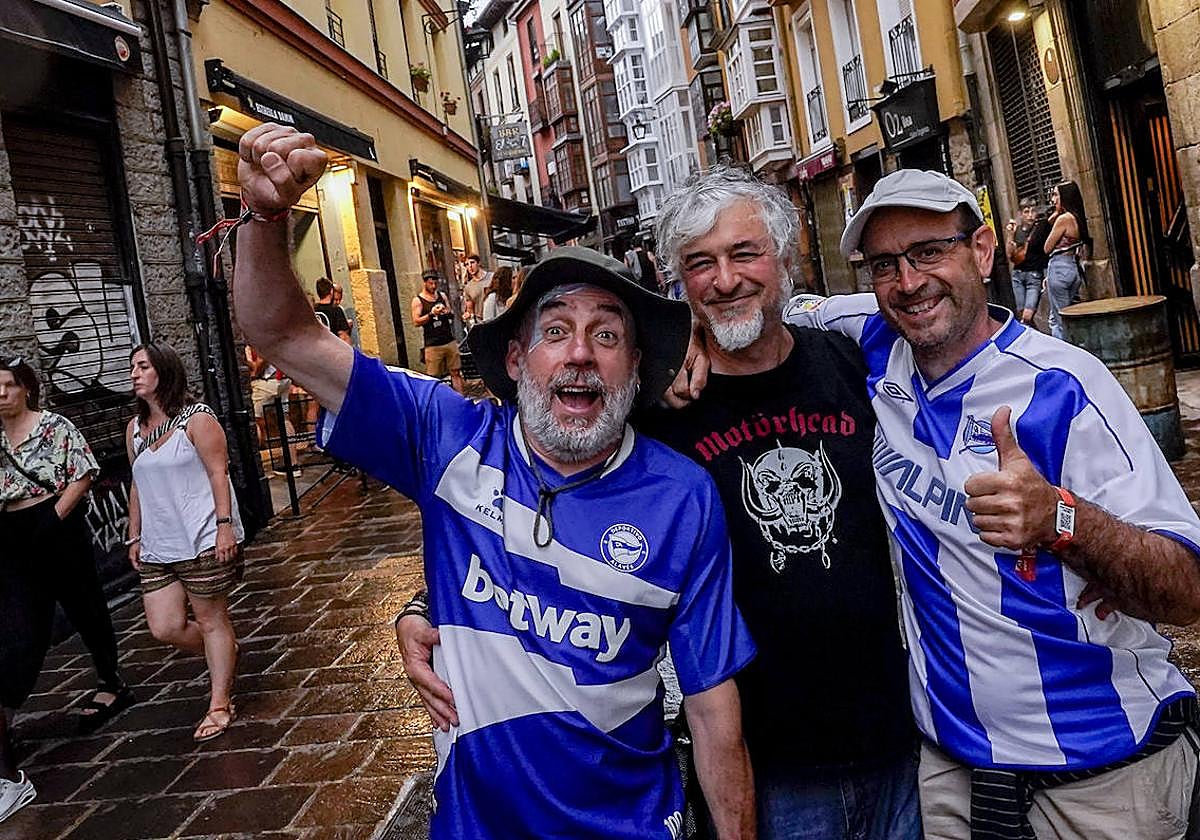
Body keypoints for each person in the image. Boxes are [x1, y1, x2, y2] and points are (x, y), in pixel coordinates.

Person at [230, 122, 758, 840]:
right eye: (555, 330)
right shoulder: (446, 437)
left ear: (634, 368)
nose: (579, 354)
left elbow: (710, 702)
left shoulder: (684, 496)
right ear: (514, 360)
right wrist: (264, 218)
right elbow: (284, 335)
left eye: (607, 335)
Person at [401, 165, 920, 840]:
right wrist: (424, 603)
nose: (725, 279)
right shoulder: (652, 412)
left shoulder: (852, 365)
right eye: (700, 263)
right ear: (679, 282)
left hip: (897, 738)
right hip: (765, 763)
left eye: (744, 254)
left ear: (786, 257)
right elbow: (543, 516)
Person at [776, 169, 1200, 839]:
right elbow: (776, 315)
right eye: (885, 264)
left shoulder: (1065, 387)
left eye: (929, 251)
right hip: (952, 774)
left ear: (981, 250)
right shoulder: (877, 340)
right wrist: (687, 347)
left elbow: (1186, 589)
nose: (909, 282)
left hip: (1102, 773)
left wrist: (1063, 518)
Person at [0, 356, 134, 822]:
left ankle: (111, 681)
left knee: (84, 606)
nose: (1, 395)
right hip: (11, 529)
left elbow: (84, 473)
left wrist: (52, 520)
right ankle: (8, 714)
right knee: (21, 621)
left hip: (54, 521)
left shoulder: (54, 426)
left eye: (8, 387)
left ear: (25, 390)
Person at [126, 342, 244, 743]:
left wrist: (224, 526)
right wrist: (135, 533)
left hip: (201, 537)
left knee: (212, 620)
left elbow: (218, 473)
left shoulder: (196, 419)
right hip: (160, 544)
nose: (135, 374)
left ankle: (219, 702)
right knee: (165, 626)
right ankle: (223, 652)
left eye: (143, 366)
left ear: (164, 370)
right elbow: (137, 484)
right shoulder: (134, 430)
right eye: (132, 368)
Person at [1042, 180, 1090, 340]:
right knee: (1064, 316)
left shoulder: (1064, 219)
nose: (1053, 199)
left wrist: (1055, 220)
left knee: (1059, 321)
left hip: (1059, 268)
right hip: (1072, 268)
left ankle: (1065, 355)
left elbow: (1047, 247)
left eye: (1056, 194)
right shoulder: (1077, 217)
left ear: (1065, 197)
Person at [245, 345, 301, 476]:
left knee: (252, 420)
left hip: (267, 381)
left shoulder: (259, 332)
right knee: (285, 419)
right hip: (283, 380)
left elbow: (262, 359)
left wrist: (254, 372)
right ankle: (293, 465)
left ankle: (257, 471)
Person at [411, 270, 465, 395]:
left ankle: (461, 399)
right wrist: (431, 314)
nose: (434, 286)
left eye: (435, 283)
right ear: (425, 283)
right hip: (432, 344)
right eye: (431, 284)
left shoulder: (441, 296)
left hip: (448, 339)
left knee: (456, 372)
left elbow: (450, 311)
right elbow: (416, 321)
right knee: (434, 378)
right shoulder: (418, 300)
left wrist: (446, 312)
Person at [1004, 197, 1050, 326]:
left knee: (1027, 316)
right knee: (1022, 315)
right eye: (1026, 211)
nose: (1030, 215)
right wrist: (1010, 235)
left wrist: (1046, 275)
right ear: (1020, 214)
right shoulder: (1016, 231)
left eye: (1033, 211)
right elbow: (1009, 254)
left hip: (1034, 276)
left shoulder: (1041, 228)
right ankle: (1034, 339)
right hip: (1017, 275)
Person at [313, 277, 352, 343]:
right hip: (334, 350)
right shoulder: (336, 310)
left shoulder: (312, 309)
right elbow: (343, 337)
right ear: (331, 291)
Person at [461, 253, 492, 324]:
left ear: (478, 263)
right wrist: (468, 315)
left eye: (472, 262)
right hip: (481, 321)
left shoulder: (492, 277)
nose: (470, 266)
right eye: (467, 264)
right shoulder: (468, 287)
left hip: (495, 316)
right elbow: (470, 309)